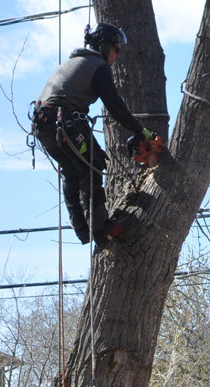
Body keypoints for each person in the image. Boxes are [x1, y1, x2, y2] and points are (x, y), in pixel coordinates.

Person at [32, 23, 156, 249]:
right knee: (93, 163)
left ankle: (82, 229)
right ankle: (101, 229)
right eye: (117, 50)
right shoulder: (97, 65)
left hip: (44, 126)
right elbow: (114, 104)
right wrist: (140, 131)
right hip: (65, 122)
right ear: (105, 46)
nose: (117, 56)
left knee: (72, 171)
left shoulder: (74, 62)